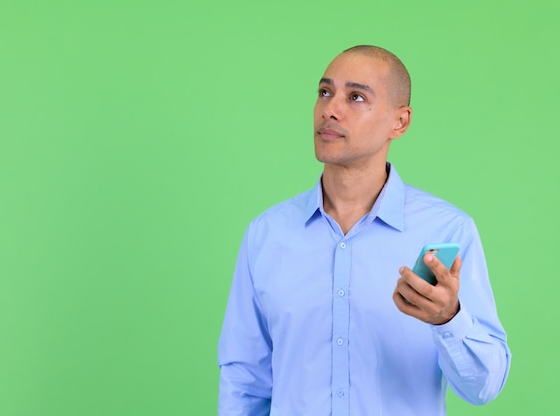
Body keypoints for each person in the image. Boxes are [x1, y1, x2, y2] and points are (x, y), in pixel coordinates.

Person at [217, 45, 511, 416]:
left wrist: (449, 319)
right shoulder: (267, 234)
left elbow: (484, 387)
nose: (330, 109)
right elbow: (244, 380)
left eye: (356, 97)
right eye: (325, 92)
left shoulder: (447, 231)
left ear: (399, 122)